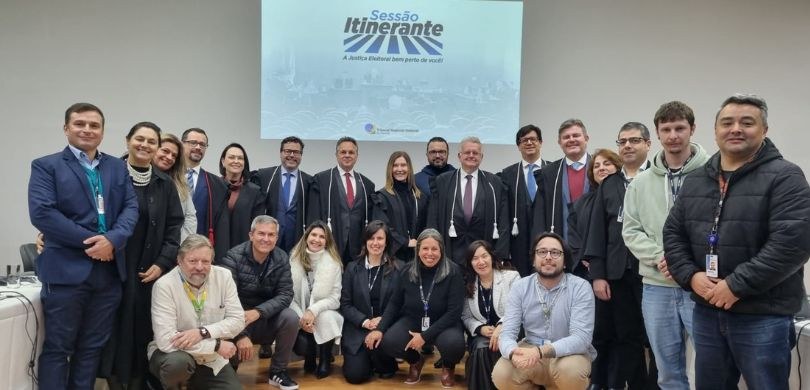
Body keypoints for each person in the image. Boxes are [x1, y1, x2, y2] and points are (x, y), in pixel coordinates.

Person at [663, 94, 810, 390]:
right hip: (707, 311)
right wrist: (691, 276)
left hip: (762, 315)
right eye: (727, 122)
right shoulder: (697, 180)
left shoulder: (786, 177)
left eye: (747, 123)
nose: (736, 129)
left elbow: (791, 244)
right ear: (715, 130)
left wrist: (735, 286)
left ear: (764, 130)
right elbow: (673, 234)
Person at [28, 103, 138, 389]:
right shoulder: (46, 166)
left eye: (94, 125)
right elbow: (43, 214)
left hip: (108, 273)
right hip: (65, 271)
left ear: (102, 131)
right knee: (58, 348)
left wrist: (112, 240)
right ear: (66, 128)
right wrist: (93, 242)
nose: (87, 130)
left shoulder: (117, 167)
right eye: (80, 124)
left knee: (91, 349)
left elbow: (130, 208)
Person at [622, 101, 710, 390]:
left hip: (700, 285)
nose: (673, 135)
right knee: (667, 372)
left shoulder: (712, 173)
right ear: (657, 134)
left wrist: (684, 264)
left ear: (692, 129)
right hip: (656, 285)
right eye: (666, 129)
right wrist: (662, 256)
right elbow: (631, 230)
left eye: (680, 128)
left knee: (712, 366)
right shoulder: (640, 182)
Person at [101, 122, 185, 389]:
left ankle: (138, 381)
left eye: (152, 141)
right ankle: (113, 381)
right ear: (128, 140)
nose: (145, 145)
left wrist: (162, 263)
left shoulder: (165, 184)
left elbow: (174, 228)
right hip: (111, 267)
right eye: (140, 139)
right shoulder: (108, 174)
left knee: (141, 329)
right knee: (113, 328)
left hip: (147, 272)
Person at [582, 122, 651, 390]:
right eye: (622, 142)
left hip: (654, 273)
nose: (628, 146)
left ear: (648, 144)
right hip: (618, 275)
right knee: (627, 337)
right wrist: (598, 275)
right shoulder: (610, 184)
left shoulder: (657, 178)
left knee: (658, 339)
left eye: (634, 140)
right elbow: (597, 232)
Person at [492, 232, 596, 390]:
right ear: (534, 260)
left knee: (570, 371)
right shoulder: (520, 287)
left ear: (565, 261)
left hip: (569, 354)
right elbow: (507, 333)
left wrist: (540, 352)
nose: (548, 257)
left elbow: (581, 338)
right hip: (531, 351)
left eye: (555, 252)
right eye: (542, 252)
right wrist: (513, 352)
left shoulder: (580, 287)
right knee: (502, 373)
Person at [367, 228, 466, 388]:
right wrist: (380, 329)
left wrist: (424, 336)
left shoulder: (453, 272)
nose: (429, 253)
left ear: (441, 250)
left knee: (454, 345)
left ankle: (448, 366)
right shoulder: (407, 270)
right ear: (418, 250)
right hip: (413, 319)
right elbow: (395, 303)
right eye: (425, 248)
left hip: (444, 322)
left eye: (434, 249)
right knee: (389, 341)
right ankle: (415, 361)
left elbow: (454, 312)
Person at [148, 234, 244, 390]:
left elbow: (238, 320)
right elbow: (166, 340)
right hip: (173, 354)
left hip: (211, 360)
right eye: (192, 261)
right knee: (177, 364)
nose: (199, 267)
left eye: (205, 261)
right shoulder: (164, 285)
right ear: (179, 261)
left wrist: (202, 332)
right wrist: (215, 345)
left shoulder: (224, 276)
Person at [218, 215, 300, 390]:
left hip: (264, 318)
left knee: (291, 317)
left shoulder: (281, 257)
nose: (266, 239)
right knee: (228, 380)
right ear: (251, 235)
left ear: (276, 238)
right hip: (237, 320)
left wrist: (259, 312)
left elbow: (286, 294)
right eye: (261, 233)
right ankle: (230, 366)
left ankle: (278, 371)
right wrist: (241, 334)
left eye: (271, 235)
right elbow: (224, 299)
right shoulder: (233, 257)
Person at [427, 136, 510, 266]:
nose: (471, 155)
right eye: (467, 152)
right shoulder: (443, 181)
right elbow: (433, 218)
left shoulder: (494, 183)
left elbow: (503, 222)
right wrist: (432, 249)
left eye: (475, 153)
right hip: (450, 253)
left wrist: (500, 255)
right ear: (459, 156)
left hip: (483, 254)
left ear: (481, 157)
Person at [339, 220, 403, 384]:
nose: (375, 243)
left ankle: (380, 360)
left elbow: (401, 305)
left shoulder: (399, 268)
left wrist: (382, 321)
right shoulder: (352, 268)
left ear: (386, 242)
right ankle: (366, 359)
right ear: (365, 241)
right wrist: (365, 322)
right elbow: (345, 305)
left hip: (385, 328)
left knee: (386, 371)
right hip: (358, 328)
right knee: (355, 376)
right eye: (371, 238)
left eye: (380, 238)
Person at [461, 240, 520, 390]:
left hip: (510, 330)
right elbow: (466, 316)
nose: (481, 262)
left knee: (495, 345)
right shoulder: (468, 284)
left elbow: (519, 308)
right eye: (475, 258)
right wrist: (480, 328)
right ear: (470, 263)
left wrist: (501, 326)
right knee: (482, 347)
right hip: (482, 335)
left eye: (484, 256)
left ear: (492, 257)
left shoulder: (511, 277)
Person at [288, 221, 344, 378]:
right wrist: (302, 317)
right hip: (299, 311)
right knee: (292, 320)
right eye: (313, 235)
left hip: (325, 312)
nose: (317, 240)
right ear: (306, 237)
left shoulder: (334, 263)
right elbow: (288, 296)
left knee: (325, 316)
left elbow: (335, 299)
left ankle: (325, 360)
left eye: (322, 237)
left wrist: (313, 310)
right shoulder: (293, 260)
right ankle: (309, 356)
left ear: (327, 241)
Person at [308, 137, 375, 265]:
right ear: (336, 155)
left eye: (351, 152)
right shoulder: (322, 180)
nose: (347, 155)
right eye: (343, 152)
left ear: (357, 156)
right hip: (330, 243)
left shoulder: (367, 184)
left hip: (357, 247)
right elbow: (314, 215)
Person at [499, 124, 549, 276]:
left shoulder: (552, 170)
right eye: (524, 140)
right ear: (518, 146)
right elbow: (504, 212)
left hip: (547, 238)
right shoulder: (508, 174)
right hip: (518, 242)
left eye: (533, 139)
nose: (529, 143)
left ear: (540, 142)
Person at [532, 119, 591, 242]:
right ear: (559, 142)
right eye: (566, 137)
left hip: (594, 242)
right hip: (560, 244)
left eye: (576, 135)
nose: (571, 140)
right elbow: (539, 216)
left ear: (586, 138)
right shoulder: (548, 173)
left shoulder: (600, 169)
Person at [567, 149, 621, 280]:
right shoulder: (580, 204)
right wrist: (586, 259)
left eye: (607, 164)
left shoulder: (627, 196)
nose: (601, 168)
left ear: (618, 168)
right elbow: (574, 237)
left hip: (620, 269)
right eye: (596, 166)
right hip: (589, 272)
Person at [251, 136, 312, 253]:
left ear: (301, 155)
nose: (292, 155)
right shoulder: (264, 176)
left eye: (296, 152)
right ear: (280, 153)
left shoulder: (308, 181)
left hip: (296, 240)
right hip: (268, 239)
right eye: (288, 151)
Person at [182, 127, 231, 261]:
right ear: (182, 144)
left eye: (202, 144)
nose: (198, 147)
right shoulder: (167, 177)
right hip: (168, 252)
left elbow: (222, 229)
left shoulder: (217, 185)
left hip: (201, 256)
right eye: (193, 143)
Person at [373, 151, 429, 262]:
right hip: (393, 256)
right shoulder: (382, 197)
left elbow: (426, 224)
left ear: (409, 168)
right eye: (395, 165)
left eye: (403, 165)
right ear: (390, 169)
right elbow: (381, 226)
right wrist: (404, 242)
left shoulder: (419, 197)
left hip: (418, 255)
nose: (399, 169)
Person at [219, 142, 265, 246]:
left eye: (240, 158)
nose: (236, 161)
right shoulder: (213, 186)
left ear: (244, 163)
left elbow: (257, 227)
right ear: (223, 161)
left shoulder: (255, 192)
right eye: (231, 157)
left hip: (243, 249)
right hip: (215, 247)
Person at [153, 133, 197, 241]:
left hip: (172, 246)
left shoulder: (180, 183)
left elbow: (190, 217)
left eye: (174, 156)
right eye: (165, 151)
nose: (169, 157)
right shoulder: (135, 176)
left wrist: (180, 244)